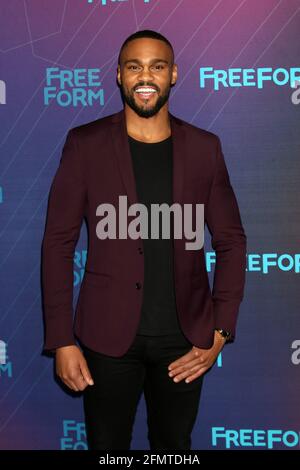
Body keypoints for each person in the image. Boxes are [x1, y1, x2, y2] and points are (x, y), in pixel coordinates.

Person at [41, 29, 247, 451]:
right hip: (106, 337)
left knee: (174, 448)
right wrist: (61, 339)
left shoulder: (205, 148)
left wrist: (221, 329)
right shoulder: (85, 145)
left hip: (185, 338)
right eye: (134, 66)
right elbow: (58, 244)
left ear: (174, 74)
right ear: (119, 75)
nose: (145, 76)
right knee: (107, 450)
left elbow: (231, 241)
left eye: (157, 66)